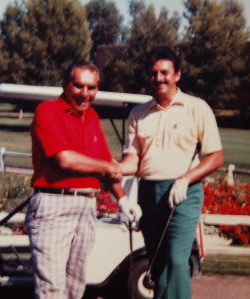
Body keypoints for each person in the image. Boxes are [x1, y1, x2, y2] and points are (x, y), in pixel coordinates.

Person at [25, 61, 142, 299]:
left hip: (86, 206)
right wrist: (112, 166)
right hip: (53, 205)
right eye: (78, 86)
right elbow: (65, 160)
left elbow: (103, 163)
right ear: (65, 85)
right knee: (51, 289)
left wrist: (122, 198)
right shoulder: (47, 110)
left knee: (75, 287)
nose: (85, 94)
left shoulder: (92, 117)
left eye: (91, 87)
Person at [118, 47, 224, 299]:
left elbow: (216, 157)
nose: (159, 78)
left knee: (177, 259)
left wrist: (185, 179)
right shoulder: (138, 113)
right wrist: (112, 169)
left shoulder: (197, 108)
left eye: (165, 72)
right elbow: (132, 160)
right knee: (157, 260)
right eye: (154, 73)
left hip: (183, 192)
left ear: (177, 75)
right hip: (148, 192)